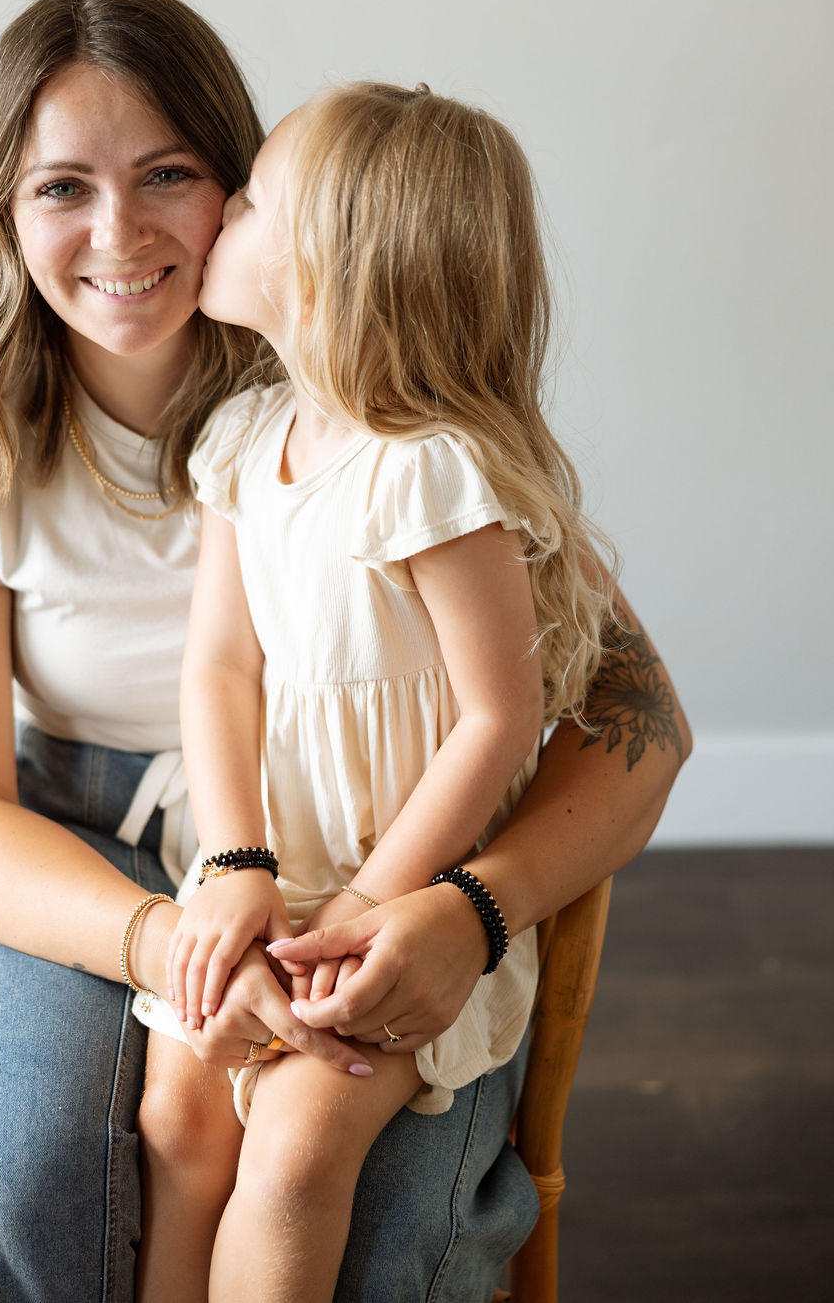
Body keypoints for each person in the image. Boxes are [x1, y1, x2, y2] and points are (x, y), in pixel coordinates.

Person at [0, 0, 691, 1303]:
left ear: (250, 191)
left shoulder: (345, 370)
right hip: (71, 840)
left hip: (371, 848)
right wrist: (172, 929)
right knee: (33, 1177)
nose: (119, 230)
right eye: (61, 186)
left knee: (365, 1225)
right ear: (2, 213)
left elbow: (632, 713)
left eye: (174, 174)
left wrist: (462, 909)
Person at [132, 84, 619, 1303]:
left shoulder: (432, 474)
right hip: (272, 852)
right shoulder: (244, 440)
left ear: (325, 267)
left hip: (402, 881)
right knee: (182, 1108)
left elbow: (498, 718)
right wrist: (236, 857)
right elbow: (220, 666)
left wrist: (365, 901)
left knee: (299, 1149)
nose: (218, 216)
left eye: (246, 202)